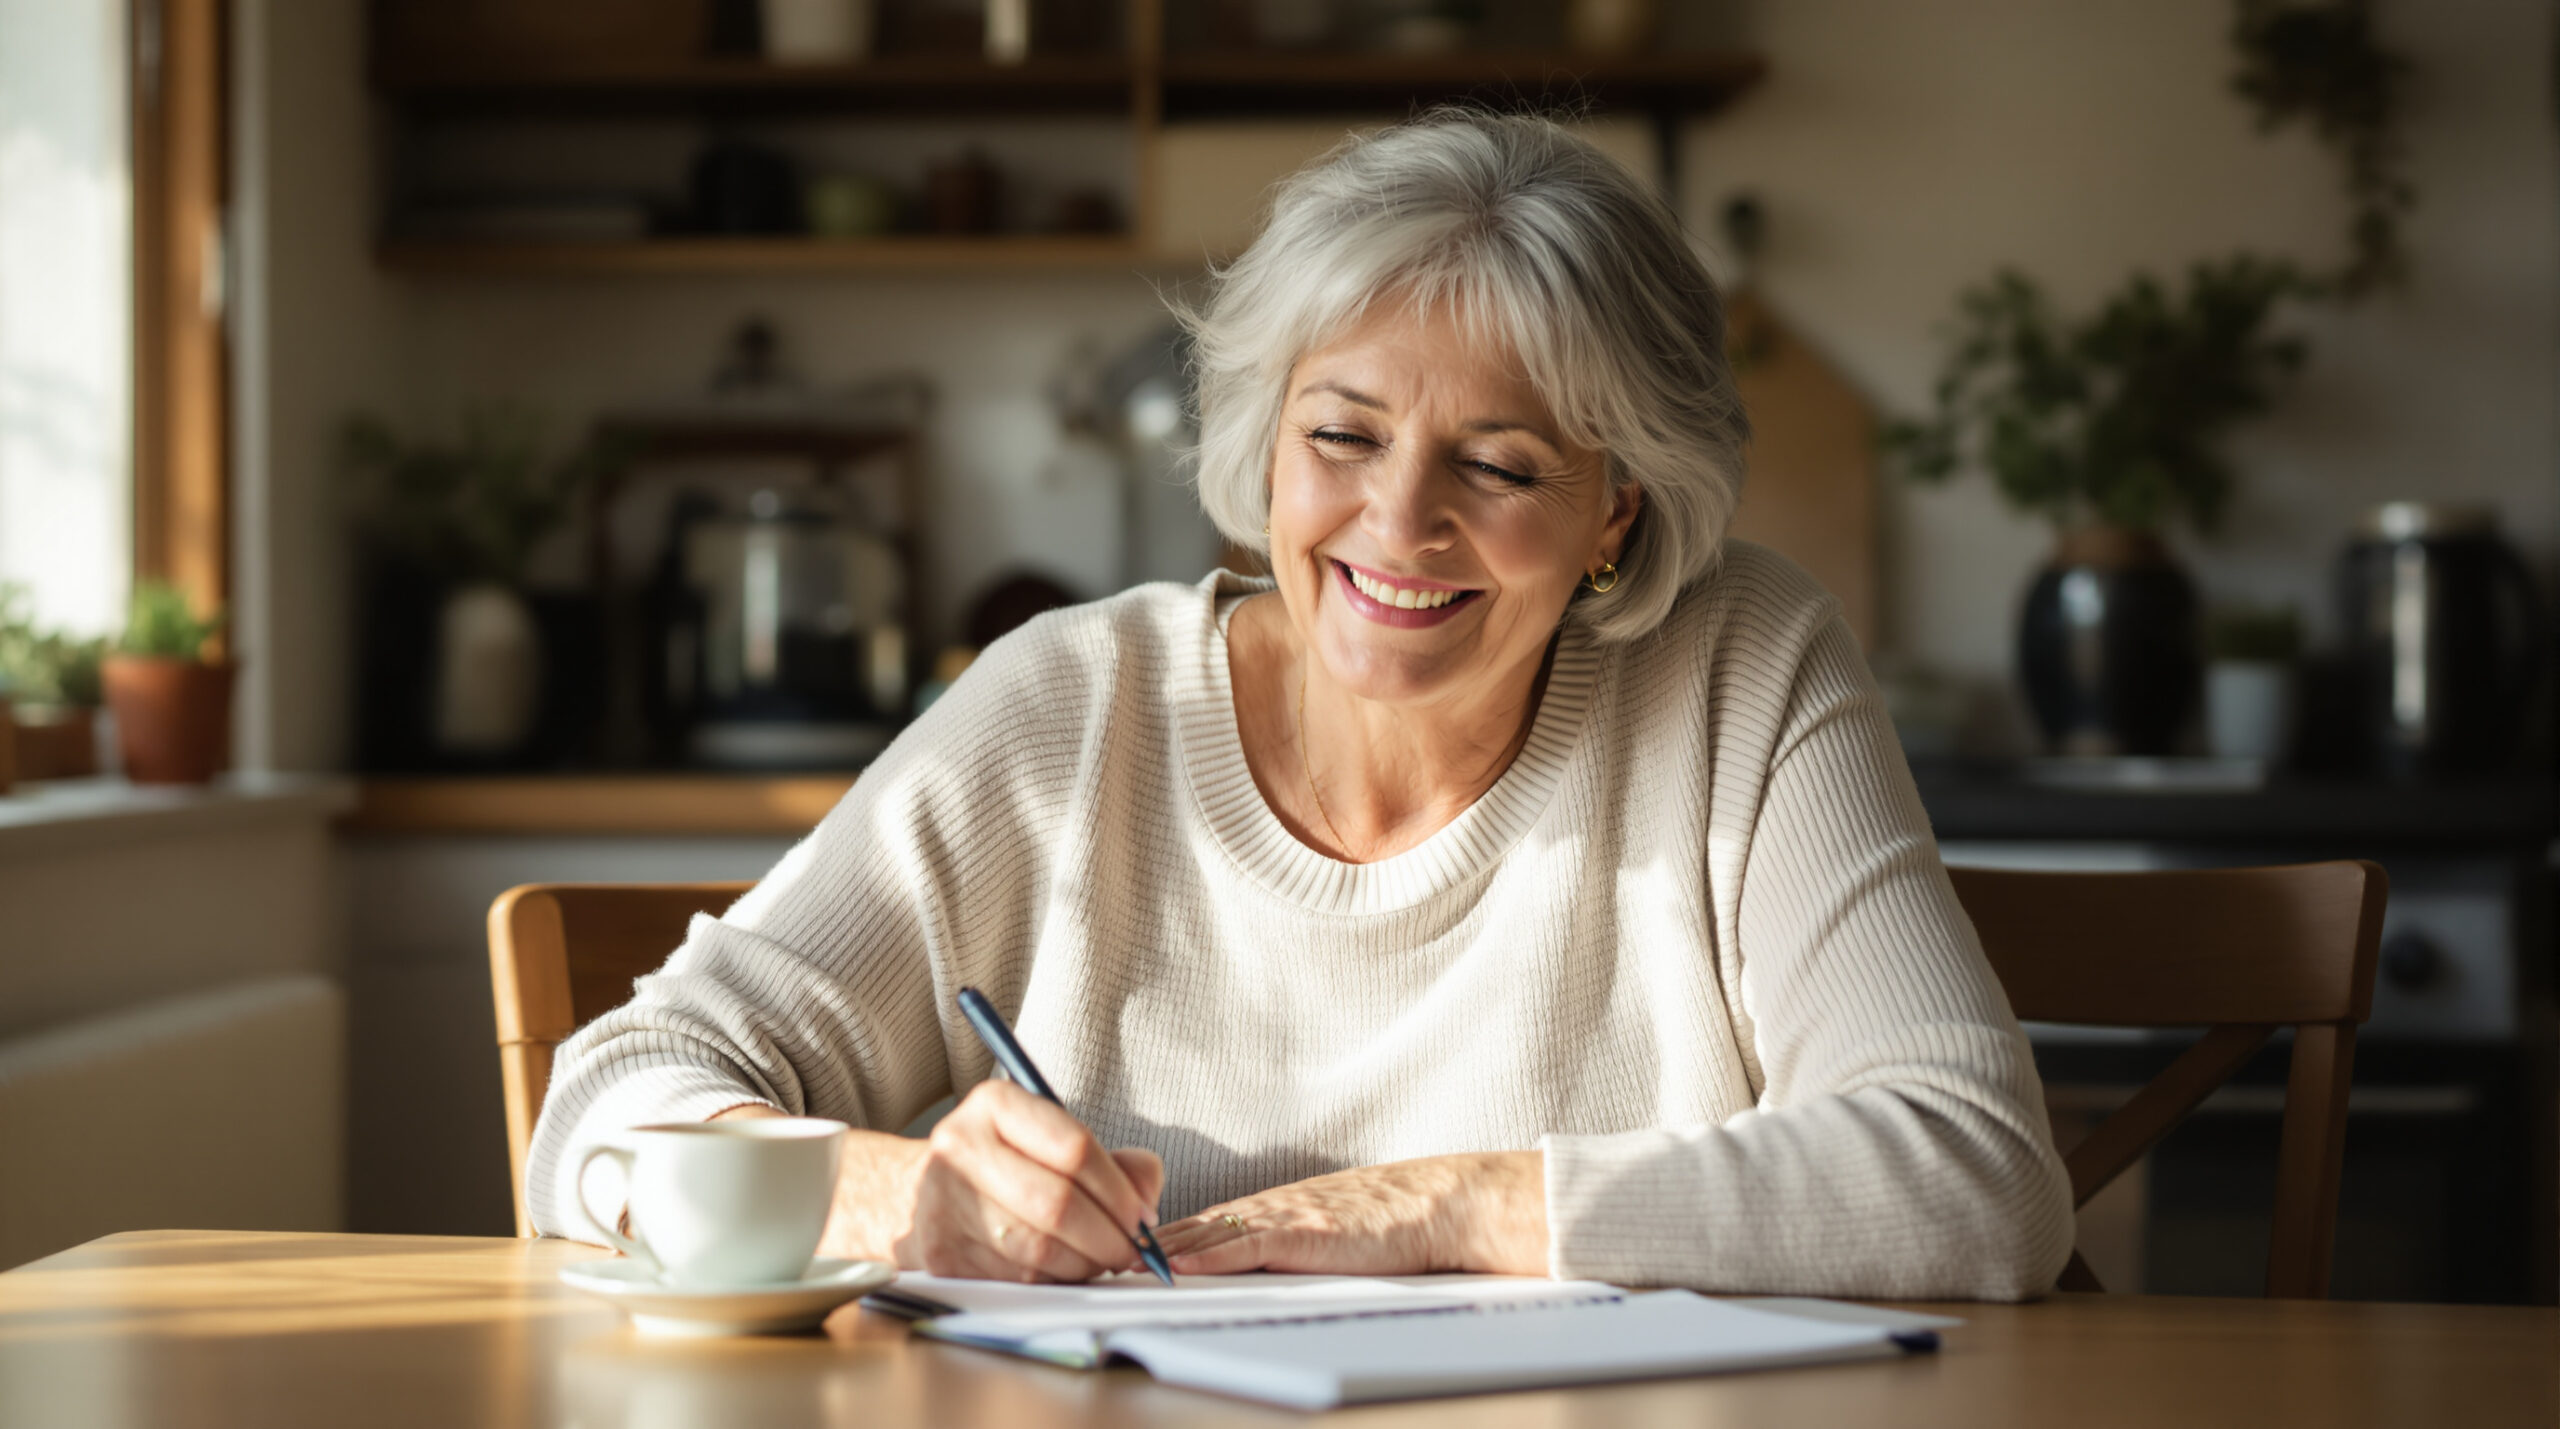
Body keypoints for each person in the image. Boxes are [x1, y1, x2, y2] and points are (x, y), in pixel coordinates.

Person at [529, 110, 2075, 1299]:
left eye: (1503, 463)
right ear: (1267, 443)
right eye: (1343, 435)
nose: (1398, 525)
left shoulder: (1743, 665)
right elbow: (602, 1107)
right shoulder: (1073, 710)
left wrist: (1448, 1205)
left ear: (1618, 510)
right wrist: (893, 1193)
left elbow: (1978, 1171)